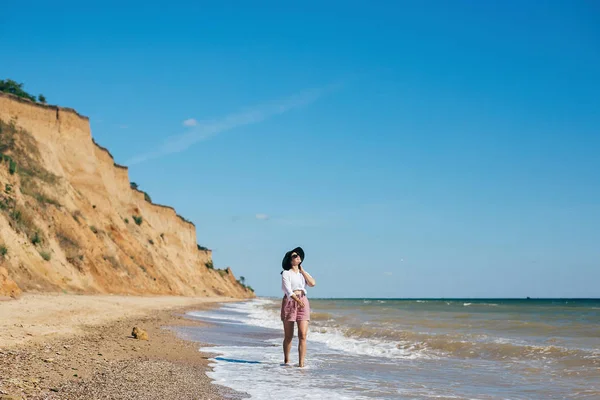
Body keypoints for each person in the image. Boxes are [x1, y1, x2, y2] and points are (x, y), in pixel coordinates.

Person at [280, 246, 316, 367]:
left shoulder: (303, 274)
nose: (298, 257)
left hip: (303, 301)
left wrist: (303, 271)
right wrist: (296, 300)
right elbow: (288, 290)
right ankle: (287, 361)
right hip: (290, 301)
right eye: (295, 256)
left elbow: (312, 283)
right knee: (289, 336)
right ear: (290, 260)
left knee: (303, 335)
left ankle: (301, 364)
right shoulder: (286, 273)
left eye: (299, 255)